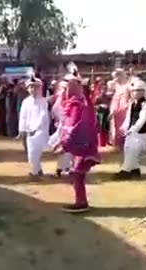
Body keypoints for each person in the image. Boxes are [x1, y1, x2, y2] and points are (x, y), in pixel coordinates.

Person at [53, 63, 100, 213]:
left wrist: (64, 145)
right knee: (77, 174)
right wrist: (63, 142)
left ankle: (81, 203)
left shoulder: (77, 105)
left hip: (82, 145)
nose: (63, 92)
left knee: (77, 174)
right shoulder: (81, 102)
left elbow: (74, 127)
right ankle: (81, 201)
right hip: (82, 144)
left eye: (66, 89)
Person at [114, 78, 146, 180]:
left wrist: (134, 129)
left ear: (143, 92)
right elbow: (128, 117)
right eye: (134, 91)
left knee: (132, 150)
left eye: (139, 91)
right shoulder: (132, 104)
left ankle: (125, 171)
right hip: (131, 132)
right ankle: (135, 170)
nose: (135, 93)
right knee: (128, 150)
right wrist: (124, 128)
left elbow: (142, 119)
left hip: (141, 133)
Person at [18, 74, 50, 179]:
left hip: (40, 131)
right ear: (28, 89)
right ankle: (38, 169)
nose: (33, 89)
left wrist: (35, 129)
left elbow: (43, 116)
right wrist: (22, 130)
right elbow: (23, 117)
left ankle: (35, 173)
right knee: (31, 153)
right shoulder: (25, 102)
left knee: (35, 152)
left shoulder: (43, 101)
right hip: (29, 132)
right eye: (31, 87)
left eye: (35, 87)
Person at [109, 69, 131, 150]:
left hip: (126, 107)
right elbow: (115, 97)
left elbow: (130, 97)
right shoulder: (116, 85)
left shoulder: (128, 85)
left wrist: (128, 106)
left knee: (126, 125)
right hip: (117, 107)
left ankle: (126, 143)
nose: (115, 79)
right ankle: (118, 143)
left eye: (116, 77)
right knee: (117, 126)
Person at [94, 79, 114, 147]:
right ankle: (101, 142)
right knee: (101, 128)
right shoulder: (98, 98)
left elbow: (112, 104)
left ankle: (108, 141)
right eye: (102, 89)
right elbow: (94, 106)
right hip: (100, 114)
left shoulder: (108, 97)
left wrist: (108, 107)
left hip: (107, 113)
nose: (104, 91)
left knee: (107, 128)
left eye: (105, 89)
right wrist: (100, 106)